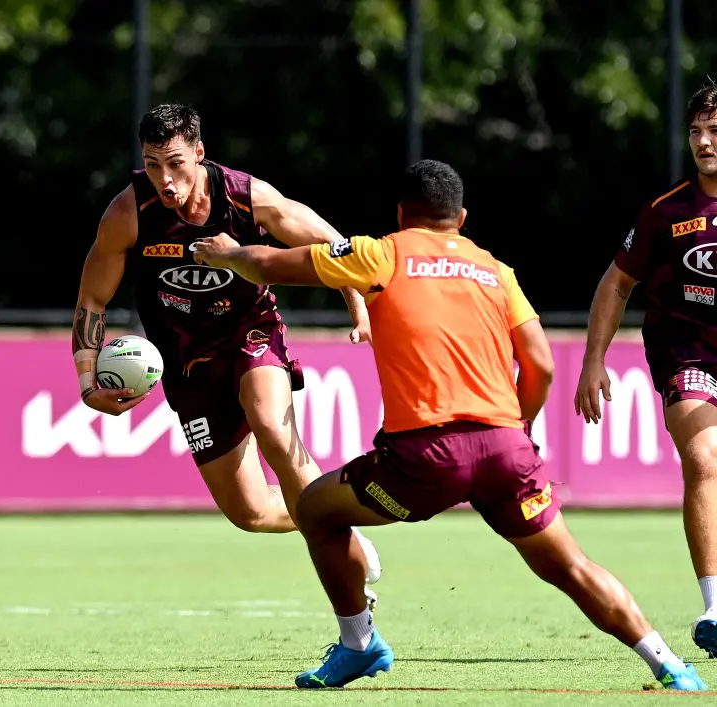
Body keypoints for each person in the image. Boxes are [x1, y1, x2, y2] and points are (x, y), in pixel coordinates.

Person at [193, 159, 707, 691]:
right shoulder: (496, 270)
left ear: (400, 214)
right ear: (460, 218)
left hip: (425, 457)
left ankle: (359, 645)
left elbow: (270, 263)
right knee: (571, 566)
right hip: (506, 451)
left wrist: (229, 254)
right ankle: (668, 663)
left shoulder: (381, 253)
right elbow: (542, 364)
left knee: (315, 509)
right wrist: (521, 425)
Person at [72, 103, 382, 604]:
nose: (165, 180)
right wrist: (88, 383)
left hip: (249, 332)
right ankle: (336, 518)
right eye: (152, 165)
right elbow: (92, 299)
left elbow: (333, 246)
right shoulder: (128, 213)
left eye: (175, 163)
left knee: (272, 428)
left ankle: (344, 571)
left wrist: (359, 308)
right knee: (250, 512)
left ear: (199, 153)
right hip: (187, 362)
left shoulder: (245, 196)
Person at [574, 79, 717, 660]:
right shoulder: (665, 212)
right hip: (688, 354)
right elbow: (616, 285)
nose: (704, 142)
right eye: (697, 131)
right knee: (704, 457)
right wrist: (593, 360)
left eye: (715, 131)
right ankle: (715, 609)